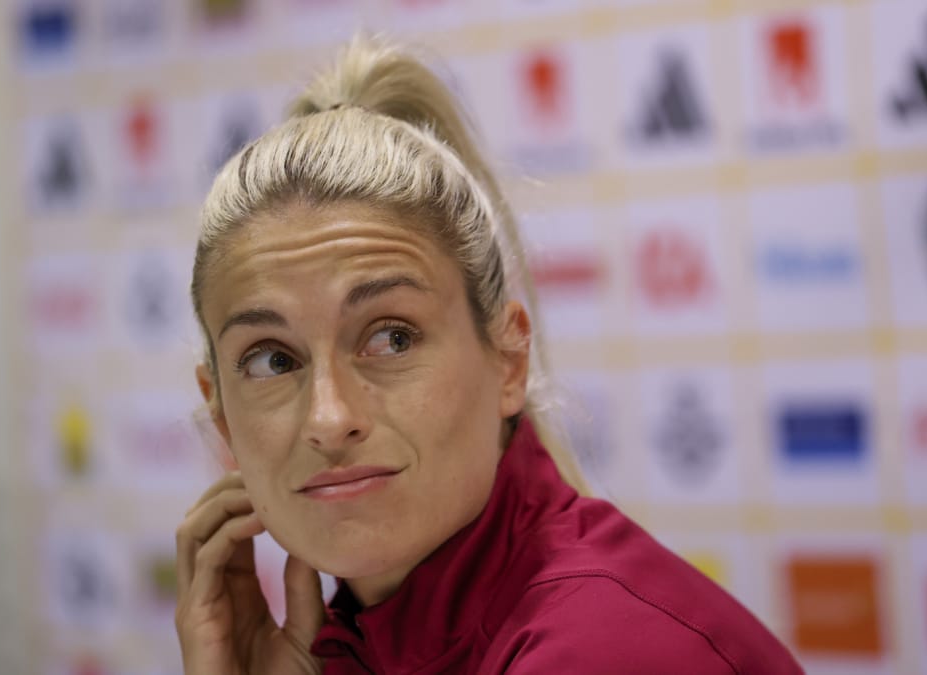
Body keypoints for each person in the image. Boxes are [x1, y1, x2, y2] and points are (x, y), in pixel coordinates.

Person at [174, 35, 805, 675]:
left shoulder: (598, 652)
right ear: (221, 413)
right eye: (272, 361)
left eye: (391, 337)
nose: (329, 419)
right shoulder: (349, 644)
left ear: (509, 359)